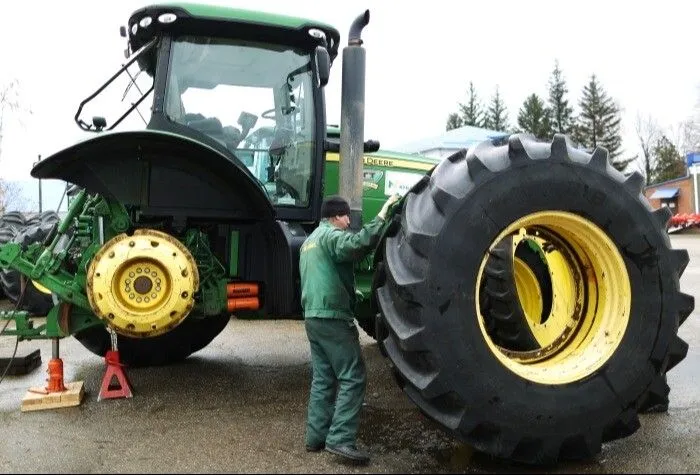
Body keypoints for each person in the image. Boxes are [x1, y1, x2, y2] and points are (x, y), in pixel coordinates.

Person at [299, 193, 400, 464]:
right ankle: (341, 439)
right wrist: (381, 218)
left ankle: (315, 438)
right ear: (335, 217)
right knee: (353, 376)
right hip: (333, 317)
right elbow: (356, 245)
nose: (348, 222)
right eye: (346, 217)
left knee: (323, 378)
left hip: (313, 316)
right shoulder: (332, 236)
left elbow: (327, 271)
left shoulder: (309, 242)